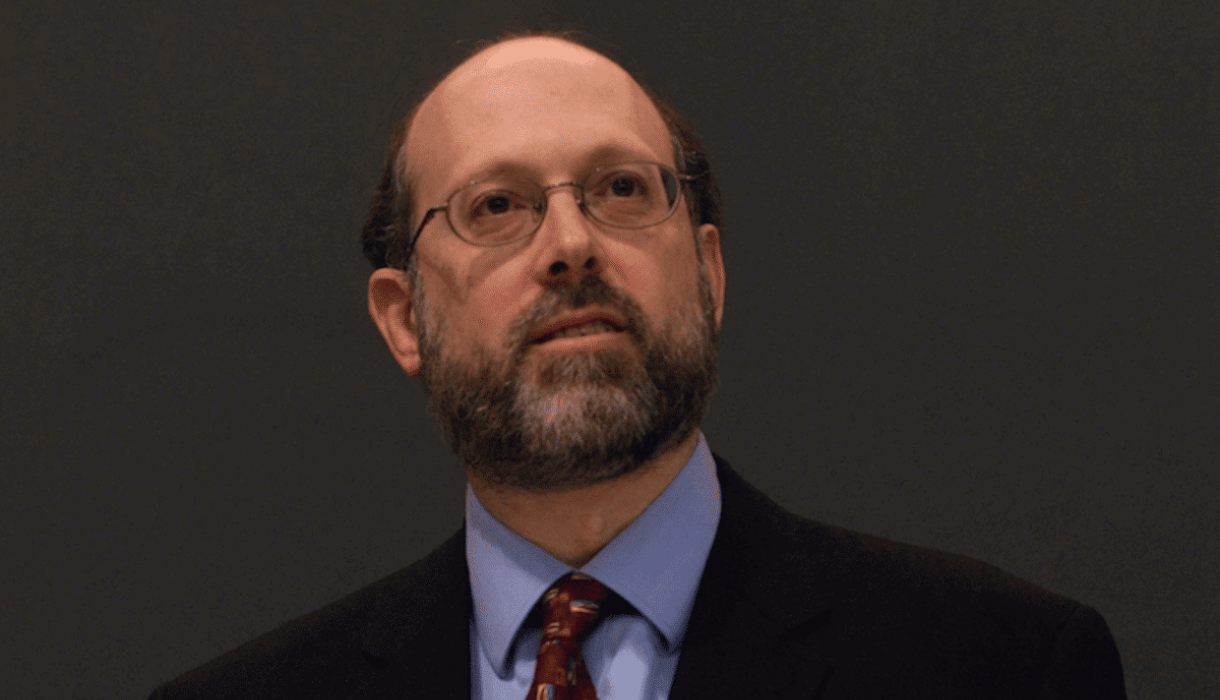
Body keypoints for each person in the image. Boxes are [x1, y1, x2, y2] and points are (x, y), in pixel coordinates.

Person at [149, 33, 1126, 700]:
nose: (570, 243)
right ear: (404, 318)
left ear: (705, 271)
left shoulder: (1000, 667)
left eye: (620, 188)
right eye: (496, 206)